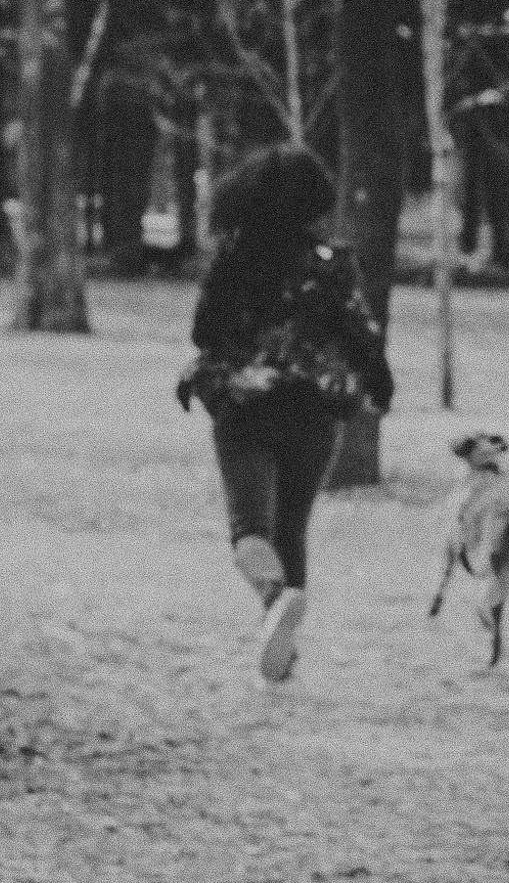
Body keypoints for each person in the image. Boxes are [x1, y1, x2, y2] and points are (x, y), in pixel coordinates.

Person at [176, 145, 395, 683]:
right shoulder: (331, 265)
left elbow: (204, 332)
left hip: (244, 403)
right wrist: (378, 384)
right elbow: (361, 333)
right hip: (312, 409)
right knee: (292, 526)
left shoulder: (233, 260)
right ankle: (284, 633)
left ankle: (274, 599)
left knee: (251, 529)